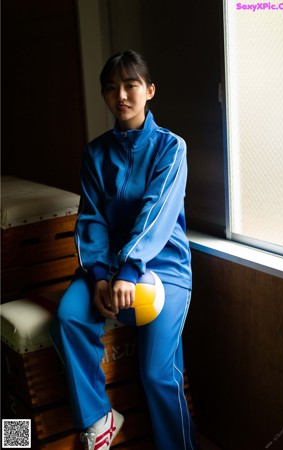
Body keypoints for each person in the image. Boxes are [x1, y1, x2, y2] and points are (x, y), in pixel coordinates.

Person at [50, 50, 197, 450]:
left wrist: (131, 269)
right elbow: (91, 218)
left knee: (157, 374)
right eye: (112, 88)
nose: (122, 95)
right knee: (67, 317)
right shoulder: (95, 154)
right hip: (109, 268)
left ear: (149, 91)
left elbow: (157, 212)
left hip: (164, 269)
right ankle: (100, 419)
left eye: (131, 85)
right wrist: (98, 275)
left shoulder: (172, 148)